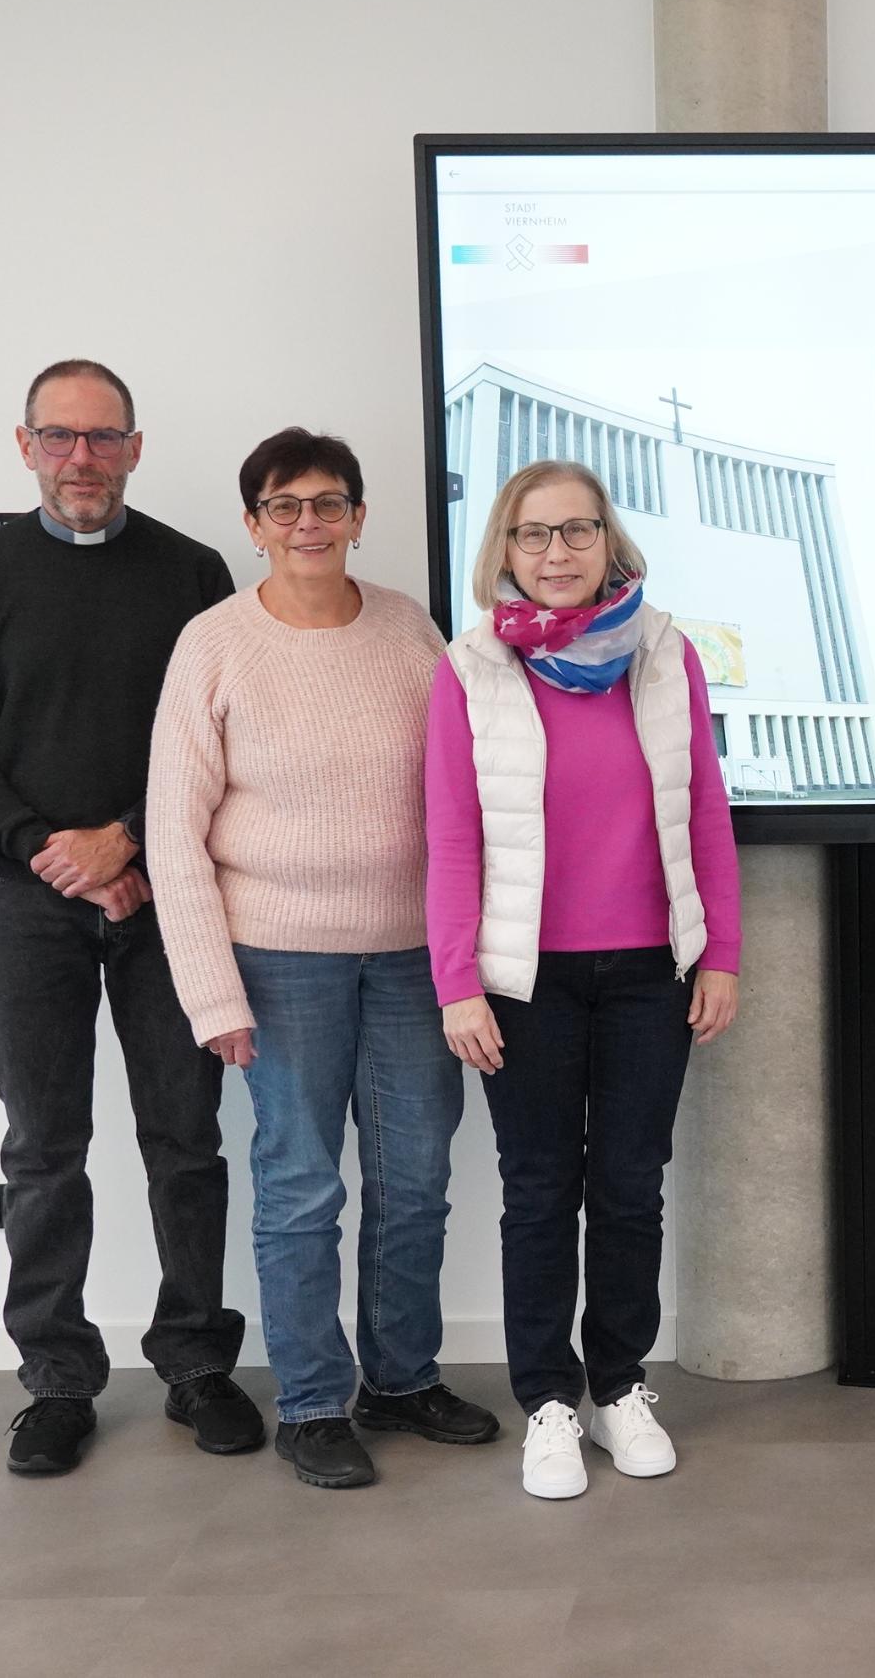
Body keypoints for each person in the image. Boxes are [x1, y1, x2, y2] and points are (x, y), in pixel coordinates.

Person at [0, 359, 262, 1474]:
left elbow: (223, 732)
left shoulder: (193, 572)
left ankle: (197, 1362)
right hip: (22, 905)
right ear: (25, 448)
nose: (81, 459)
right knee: (43, 1147)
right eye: (59, 438)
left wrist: (128, 838)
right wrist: (51, 853)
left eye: (103, 438)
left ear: (135, 448)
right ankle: (58, 1379)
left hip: (170, 896)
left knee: (186, 1136)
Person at [146, 427, 499, 1490]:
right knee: (300, 1187)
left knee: (414, 1182)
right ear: (253, 526)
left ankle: (400, 1380)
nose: (310, 522)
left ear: (358, 515)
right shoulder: (213, 643)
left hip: (408, 959)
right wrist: (213, 994)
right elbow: (174, 829)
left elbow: (462, 795)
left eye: (329, 502)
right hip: (279, 962)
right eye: (285, 505)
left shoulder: (407, 631)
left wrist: (466, 958)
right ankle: (310, 1402)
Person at [425, 458, 742, 1500]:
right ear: (504, 551)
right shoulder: (471, 668)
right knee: (537, 1192)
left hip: (652, 971)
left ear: (610, 542)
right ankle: (550, 1404)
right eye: (532, 535)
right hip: (525, 984)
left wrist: (723, 952)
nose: (554, 554)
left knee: (629, 1188)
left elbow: (703, 811)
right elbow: (454, 838)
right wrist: (457, 983)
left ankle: (617, 1386)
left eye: (576, 532)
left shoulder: (664, 652)